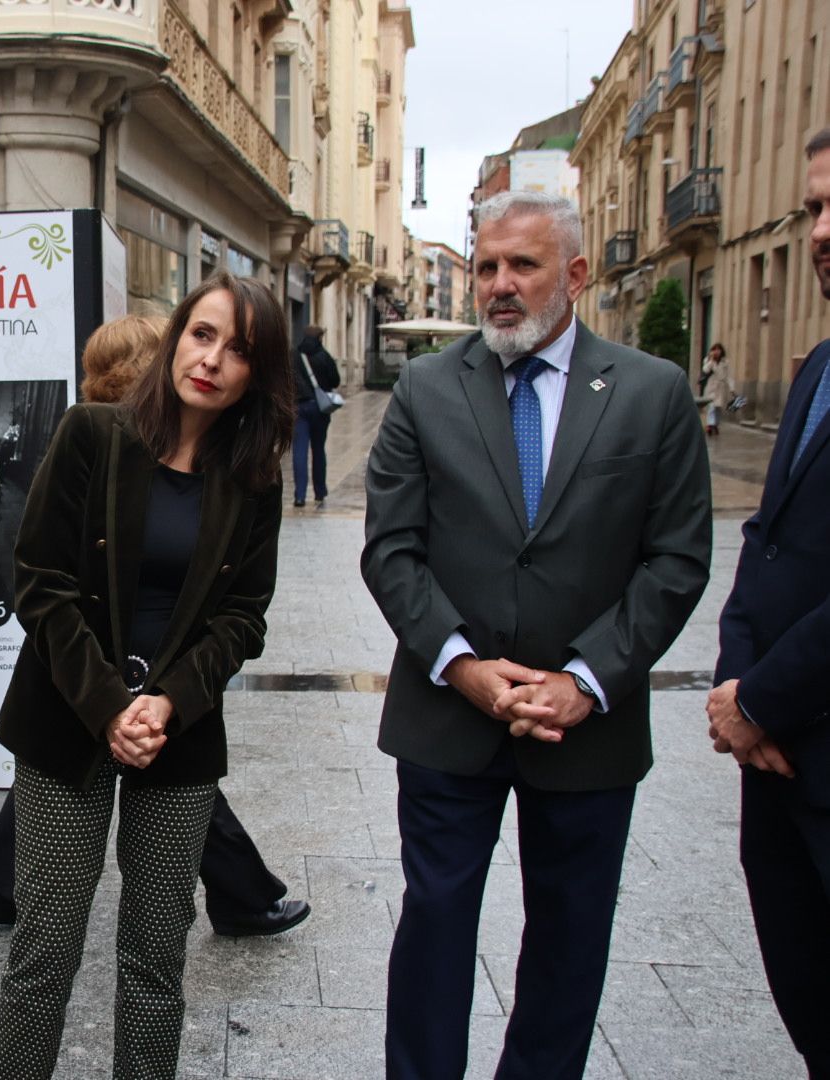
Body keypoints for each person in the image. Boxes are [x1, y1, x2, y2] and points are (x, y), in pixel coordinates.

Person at [361, 189, 711, 1079]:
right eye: (486, 266)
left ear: (577, 275)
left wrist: (586, 679)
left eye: (523, 265)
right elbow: (392, 551)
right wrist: (463, 666)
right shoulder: (427, 388)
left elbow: (675, 561)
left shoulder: (653, 393)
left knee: (569, 936)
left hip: (587, 726)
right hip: (449, 718)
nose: (499, 285)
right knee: (435, 925)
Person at [0, 272, 296, 1080]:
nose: (213, 361)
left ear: (257, 378)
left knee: (156, 963)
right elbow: (41, 581)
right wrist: (109, 709)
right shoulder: (93, 433)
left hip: (179, 735)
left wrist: (166, 703)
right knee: (41, 957)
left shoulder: (254, 477)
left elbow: (243, 618)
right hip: (66, 717)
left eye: (240, 352)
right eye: (203, 335)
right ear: (177, 336)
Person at [706, 127, 830, 1078]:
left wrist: (760, 701)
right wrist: (732, 689)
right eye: (815, 207)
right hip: (779, 757)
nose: (820, 230)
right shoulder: (819, 366)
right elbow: (767, 538)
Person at [292, 324, 342, 507]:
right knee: (318, 450)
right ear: (320, 338)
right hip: (320, 409)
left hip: (298, 407)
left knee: (299, 451)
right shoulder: (324, 356)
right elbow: (336, 380)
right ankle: (320, 492)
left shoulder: (294, 356)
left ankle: (299, 496)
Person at [701, 343, 734, 435]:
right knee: (711, 406)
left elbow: (728, 376)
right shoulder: (707, 360)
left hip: (721, 387)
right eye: (714, 349)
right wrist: (711, 360)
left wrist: (732, 388)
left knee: (718, 408)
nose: (716, 351)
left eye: (718, 349)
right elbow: (705, 370)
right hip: (711, 386)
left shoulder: (725, 362)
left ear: (721, 351)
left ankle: (715, 424)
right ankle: (710, 425)